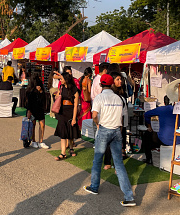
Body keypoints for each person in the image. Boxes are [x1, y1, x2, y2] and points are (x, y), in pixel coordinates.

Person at [84, 74, 136, 206]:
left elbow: (94, 115)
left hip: (104, 129)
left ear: (101, 84)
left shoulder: (99, 97)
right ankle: (129, 196)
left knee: (97, 159)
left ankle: (94, 186)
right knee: (118, 163)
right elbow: (123, 117)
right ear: (112, 84)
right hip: (116, 131)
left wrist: (97, 123)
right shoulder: (118, 98)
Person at [142, 96, 180, 165]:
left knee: (147, 135)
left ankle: (149, 159)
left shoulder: (162, 109)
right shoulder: (179, 110)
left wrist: (149, 126)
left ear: (164, 102)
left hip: (164, 140)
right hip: (179, 139)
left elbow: (146, 114)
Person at [103, 72, 129, 170]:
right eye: (117, 79)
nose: (120, 81)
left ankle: (116, 164)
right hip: (113, 121)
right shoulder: (111, 94)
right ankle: (108, 162)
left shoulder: (122, 92)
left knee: (118, 142)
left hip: (122, 121)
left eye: (120, 79)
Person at [54, 72, 80, 160]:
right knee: (63, 132)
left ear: (66, 79)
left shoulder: (74, 89)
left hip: (71, 111)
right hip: (62, 111)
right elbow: (57, 96)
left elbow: (76, 105)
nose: (60, 80)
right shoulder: (61, 87)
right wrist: (57, 96)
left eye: (61, 79)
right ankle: (63, 153)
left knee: (70, 131)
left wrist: (74, 118)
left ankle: (71, 148)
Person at [25, 73, 49, 149]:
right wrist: (29, 110)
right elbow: (28, 101)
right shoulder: (30, 90)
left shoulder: (40, 88)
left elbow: (43, 98)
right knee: (33, 125)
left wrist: (41, 91)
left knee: (42, 124)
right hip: (32, 109)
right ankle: (34, 141)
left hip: (40, 108)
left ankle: (41, 141)